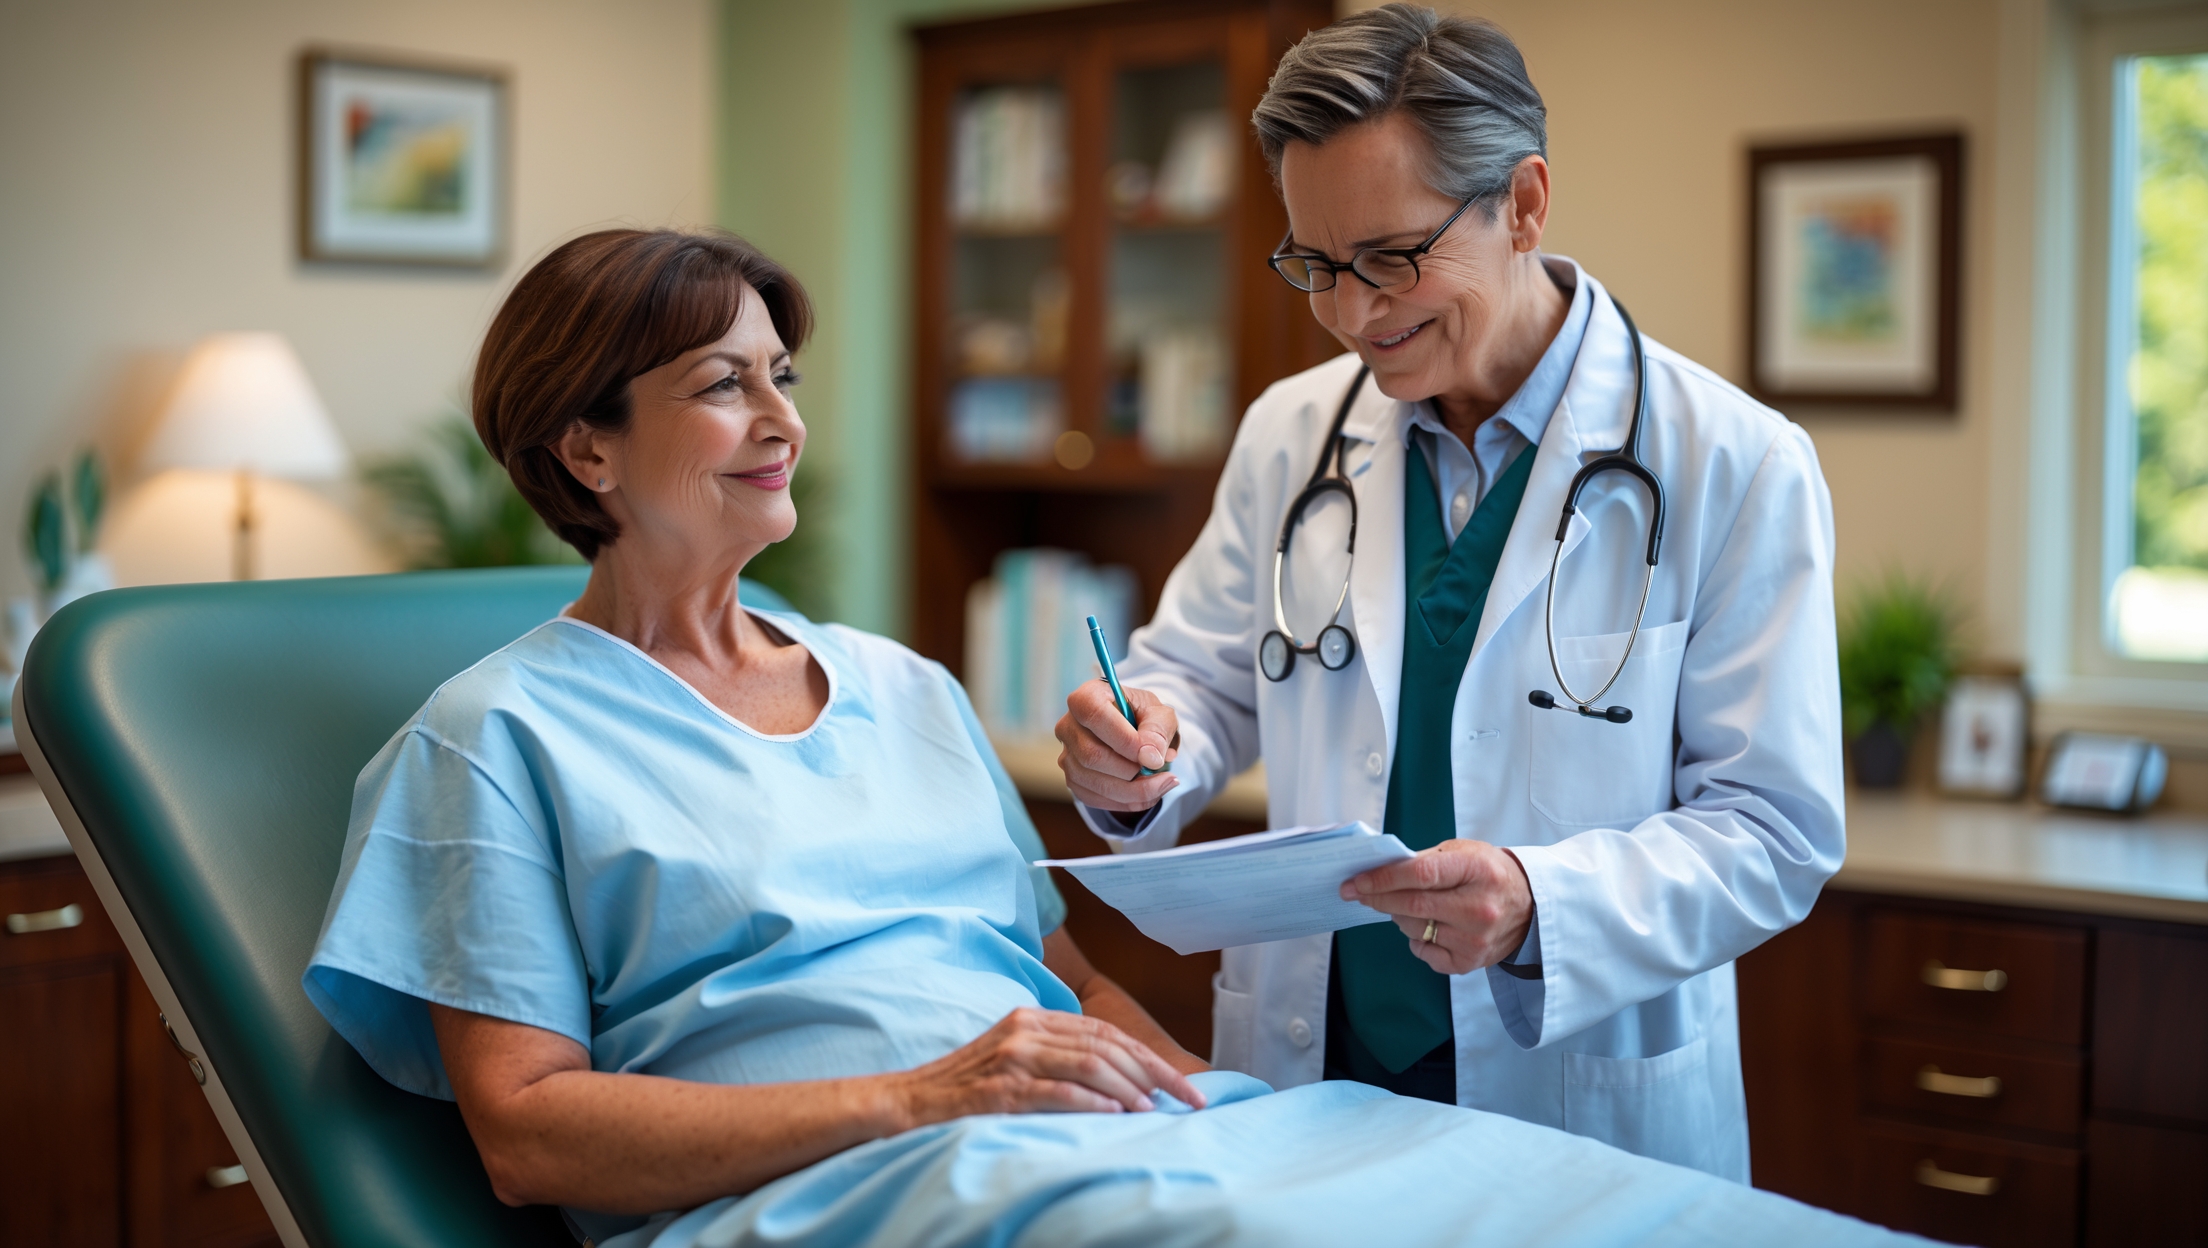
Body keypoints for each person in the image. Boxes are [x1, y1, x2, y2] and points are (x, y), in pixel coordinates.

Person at [298, 227, 1908, 1248]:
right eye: (726, 386)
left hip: (1093, 1141)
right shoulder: (493, 739)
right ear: (585, 445)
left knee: (1582, 1211)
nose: (787, 421)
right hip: (862, 1186)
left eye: (784, 375)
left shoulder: (906, 688)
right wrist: (927, 1096)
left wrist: (1229, 1116)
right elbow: (525, 1134)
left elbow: (1062, 981)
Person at [1055, 4, 1843, 1181]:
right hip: (1316, 1070)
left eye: (1392, 258)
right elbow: (1204, 681)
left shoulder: (1732, 461)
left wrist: (1542, 898)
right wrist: (1141, 750)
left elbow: (1774, 832)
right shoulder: (1293, 433)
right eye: (1316, 265)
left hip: (1574, 1094)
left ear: (1523, 203)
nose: (1353, 314)